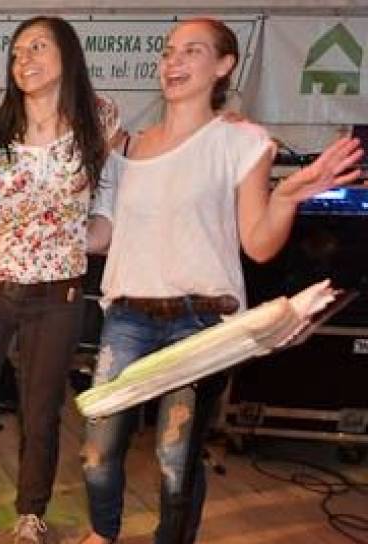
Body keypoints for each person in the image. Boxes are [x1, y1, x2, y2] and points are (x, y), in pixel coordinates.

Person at [78, 18, 362, 544]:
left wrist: (285, 198)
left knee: (175, 458)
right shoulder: (127, 150)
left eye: (192, 51)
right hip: (127, 316)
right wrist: (48, 222)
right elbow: (101, 235)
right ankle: (102, 532)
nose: (174, 62)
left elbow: (259, 244)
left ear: (224, 65)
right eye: (168, 52)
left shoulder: (241, 140)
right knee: (97, 452)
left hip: (201, 320)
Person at [0, 16, 119, 544]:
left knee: (41, 414)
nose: (24, 59)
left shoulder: (99, 120)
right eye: (16, 53)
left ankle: (31, 513)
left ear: (67, 55)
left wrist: (98, 229)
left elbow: (112, 188)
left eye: (37, 47)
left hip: (58, 292)